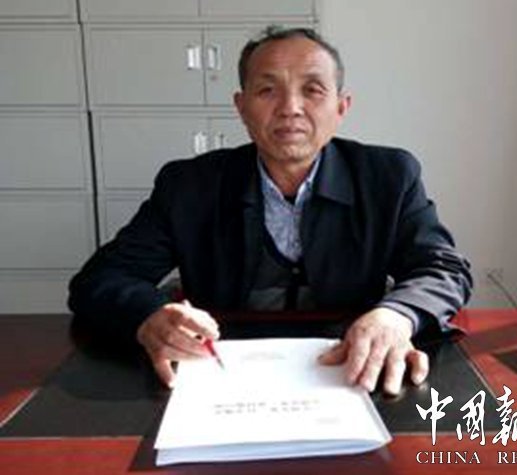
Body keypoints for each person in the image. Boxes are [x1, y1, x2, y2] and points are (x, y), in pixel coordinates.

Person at [68, 26, 472, 396]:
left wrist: (396, 316)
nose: (290, 107)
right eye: (267, 90)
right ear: (241, 106)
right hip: (221, 374)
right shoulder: (189, 185)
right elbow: (101, 279)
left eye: (312, 89)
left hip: (349, 369)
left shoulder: (388, 177)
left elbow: (444, 269)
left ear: (341, 107)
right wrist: (150, 315)